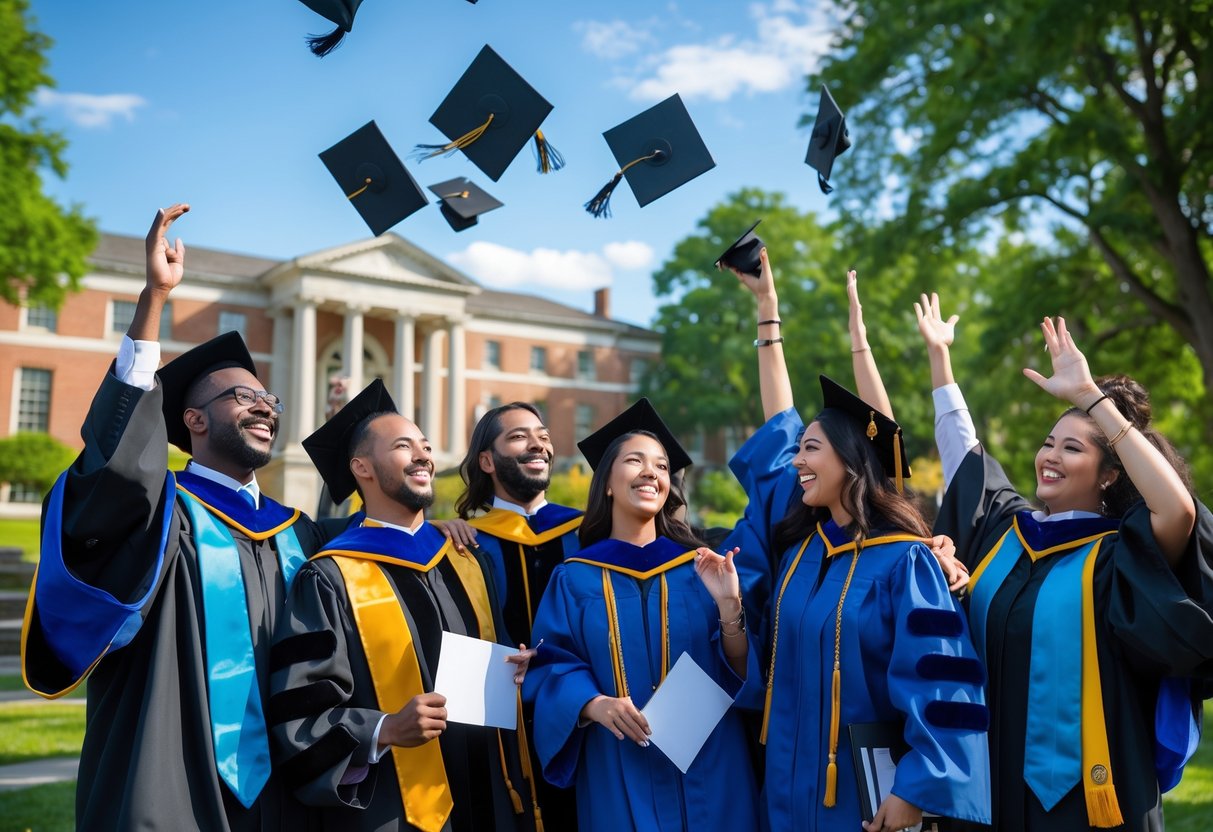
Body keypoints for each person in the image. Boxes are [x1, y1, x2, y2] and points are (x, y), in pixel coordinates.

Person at [21, 203, 323, 830]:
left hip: (286, 791)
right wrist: (154, 301)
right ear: (192, 419)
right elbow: (115, 474)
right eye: (245, 397)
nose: (265, 408)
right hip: (170, 771)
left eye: (270, 399)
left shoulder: (296, 532)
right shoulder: (160, 513)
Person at [914, 294, 1213, 830]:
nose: (1050, 456)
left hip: (1095, 794)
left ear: (1109, 475)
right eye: (1049, 443)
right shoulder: (1007, 534)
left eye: (1072, 449)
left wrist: (1092, 398)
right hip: (992, 783)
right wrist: (941, 360)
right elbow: (964, 454)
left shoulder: (1120, 556)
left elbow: (1177, 510)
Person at [725, 249, 991, 831]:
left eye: (811, 448)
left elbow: (942, 680)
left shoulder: (908, 564)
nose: (796, 458)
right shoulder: (798, 553)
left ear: (850, 463)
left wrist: (918, 791)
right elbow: (778, 429)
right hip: (787, 792)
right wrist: (767, 312)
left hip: (871, 798)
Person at [269, 379, 538, 832]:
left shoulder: (466, 560)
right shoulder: (332, 577)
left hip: (488, 797)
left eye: (426, 446)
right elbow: (300, 710)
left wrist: (517, 664)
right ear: (362, 468)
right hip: (393, 809)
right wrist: (384, 729)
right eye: (403, 446)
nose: (423, 456)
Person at [522, 398, 761, 831]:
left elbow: (741, 672)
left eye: (662, 466)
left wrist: (730, 606)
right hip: (618, 764)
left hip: (711, 762)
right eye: (635, 461)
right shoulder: (575, 579)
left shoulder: (702, 569)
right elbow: (551, 665)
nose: (652, 472)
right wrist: (592, 704)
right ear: (608, 483)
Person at [447, 401, 582, 828]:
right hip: (494, 729)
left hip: (580, 718)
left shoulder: (589, 533)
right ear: (486, 460)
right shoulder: (461, 544)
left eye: (543, 435)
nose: (538, 444)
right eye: (519, 436)